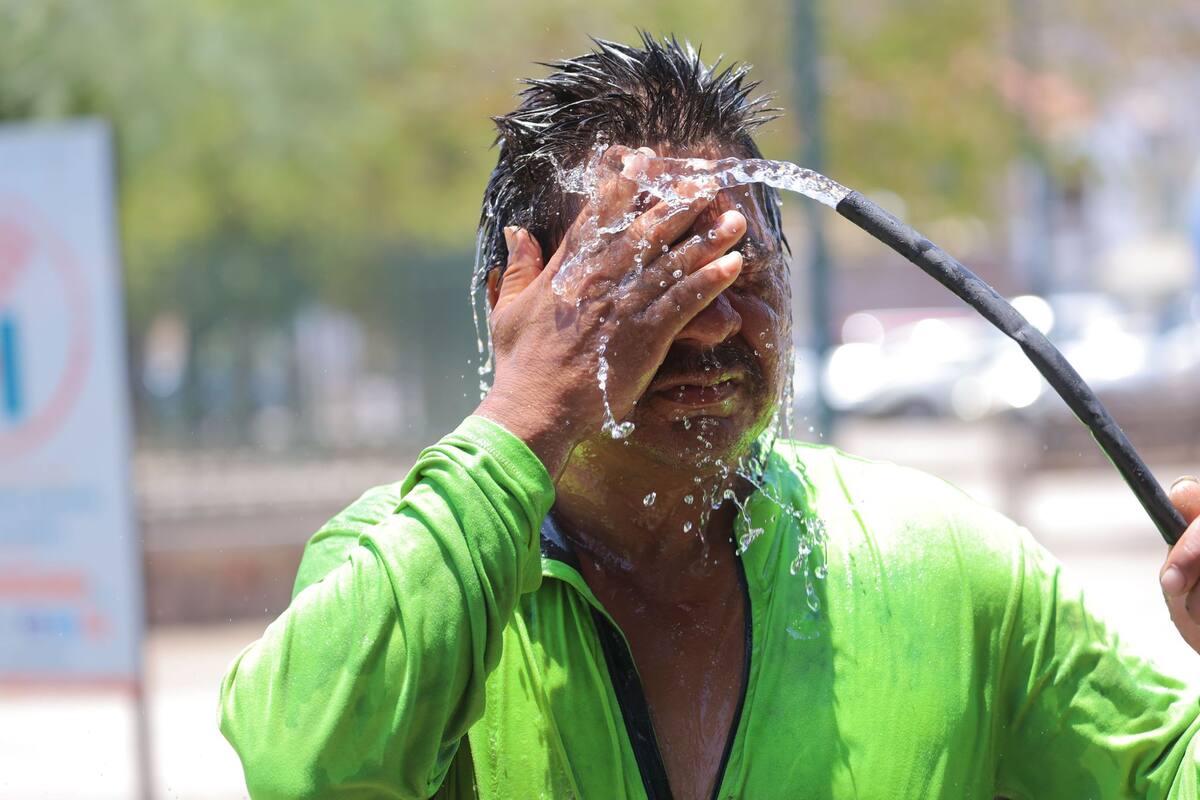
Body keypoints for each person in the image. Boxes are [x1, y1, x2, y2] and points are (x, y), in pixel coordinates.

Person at [219, 35, 1200, 799]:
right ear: (513, 301)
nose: (708, 325)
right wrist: (524, 410)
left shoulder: (942, 568)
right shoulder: (407, 570)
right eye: (649, 279)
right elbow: (307, 766)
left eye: (740, 269)